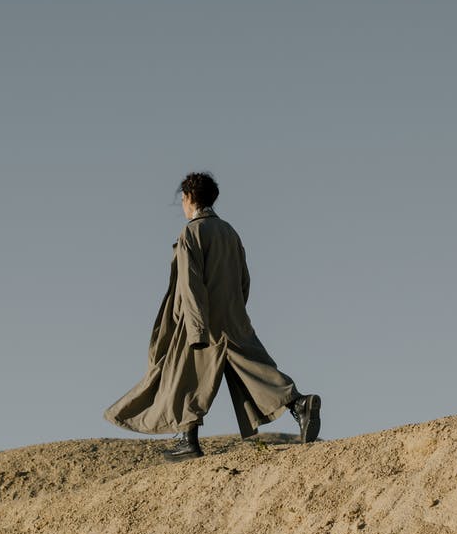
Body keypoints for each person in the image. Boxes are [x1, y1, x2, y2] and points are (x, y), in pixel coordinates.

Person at [104, 172, 322, 458]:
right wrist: (235, 311)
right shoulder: (230, 232)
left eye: (182, 199)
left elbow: (190, 285)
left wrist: (196, 328)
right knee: (251, 368)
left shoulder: (191, 233)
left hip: (200, 319)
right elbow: (244, 279)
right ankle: (297, 404)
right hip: (232, 315)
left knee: (183, 376)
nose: (182, 205)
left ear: (190, 198)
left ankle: (188, 442)